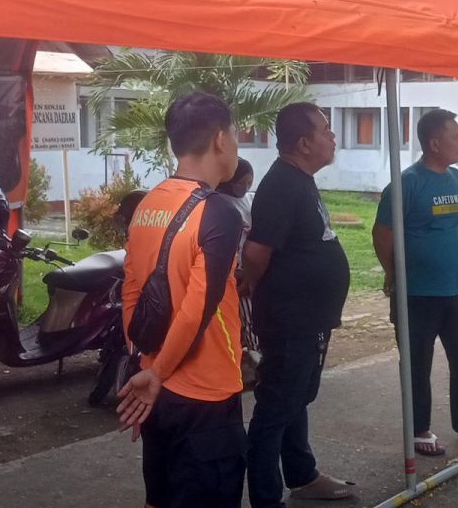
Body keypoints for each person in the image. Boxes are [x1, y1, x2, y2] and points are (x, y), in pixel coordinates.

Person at [116, 92, 246, 508]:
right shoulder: (218, 212)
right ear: (221, 140)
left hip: (154, 386)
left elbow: (131, 292)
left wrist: (145, 366)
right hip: (204, 394)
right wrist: (157, 374)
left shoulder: (148, 204)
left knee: (160, 498)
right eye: (237, 139)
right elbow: (197, 309)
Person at [242, 103, 356, 506]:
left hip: (308, 317)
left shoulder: (300, 179)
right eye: (326, 130)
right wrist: (253, 294)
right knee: (276, 406)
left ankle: (302, 474)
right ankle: (265, 498)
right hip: (290, 320)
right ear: (304, 143)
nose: (333, 136)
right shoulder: (283, 184)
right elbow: (255, 256)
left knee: (295, 397)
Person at [370, 109, 458, 457]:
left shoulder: (455, 178)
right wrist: (394, 273)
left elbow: (454, 225)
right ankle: (419, 430)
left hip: (457, 290)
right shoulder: (406, 184)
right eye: (455, 137)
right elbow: (382, 234)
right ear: (434, 143)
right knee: (416, 364)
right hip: (417, 294)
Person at [216, 158, 259, 388]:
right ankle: (254, 357)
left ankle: (251, 356)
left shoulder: (250, 200)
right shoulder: (221, 203)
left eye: (249, 183)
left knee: (251, 315)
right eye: (241, 183)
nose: (245, 188)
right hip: (236, 271)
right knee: (246, 315)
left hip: (253, 268)